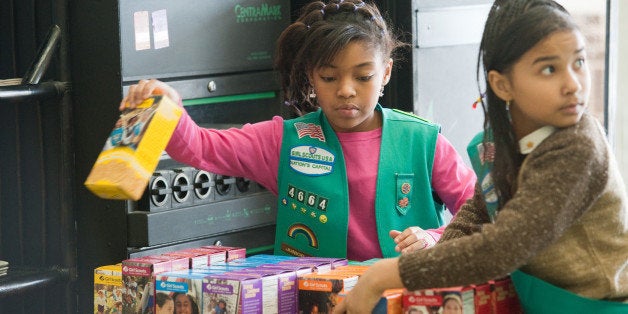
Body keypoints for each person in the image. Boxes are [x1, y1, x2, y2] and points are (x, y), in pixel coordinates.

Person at [120, 0, 475, 261]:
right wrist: (169, 108)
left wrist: (435, 238)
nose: (346, 90)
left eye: (363, 77)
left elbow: (482, 209)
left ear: (385, 73)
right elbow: (199, 147)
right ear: (310, 76)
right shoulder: (283, 141)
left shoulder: (424, 140)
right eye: (329, 77)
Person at [333, 0, 628, 313]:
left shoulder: (577, 146)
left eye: (579, 62)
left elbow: (505, 246)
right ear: (502, 84)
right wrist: (416, 276)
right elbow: (477, 215)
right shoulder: (506, 142)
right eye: (549, 69)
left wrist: (384, 276)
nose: (573, 84)